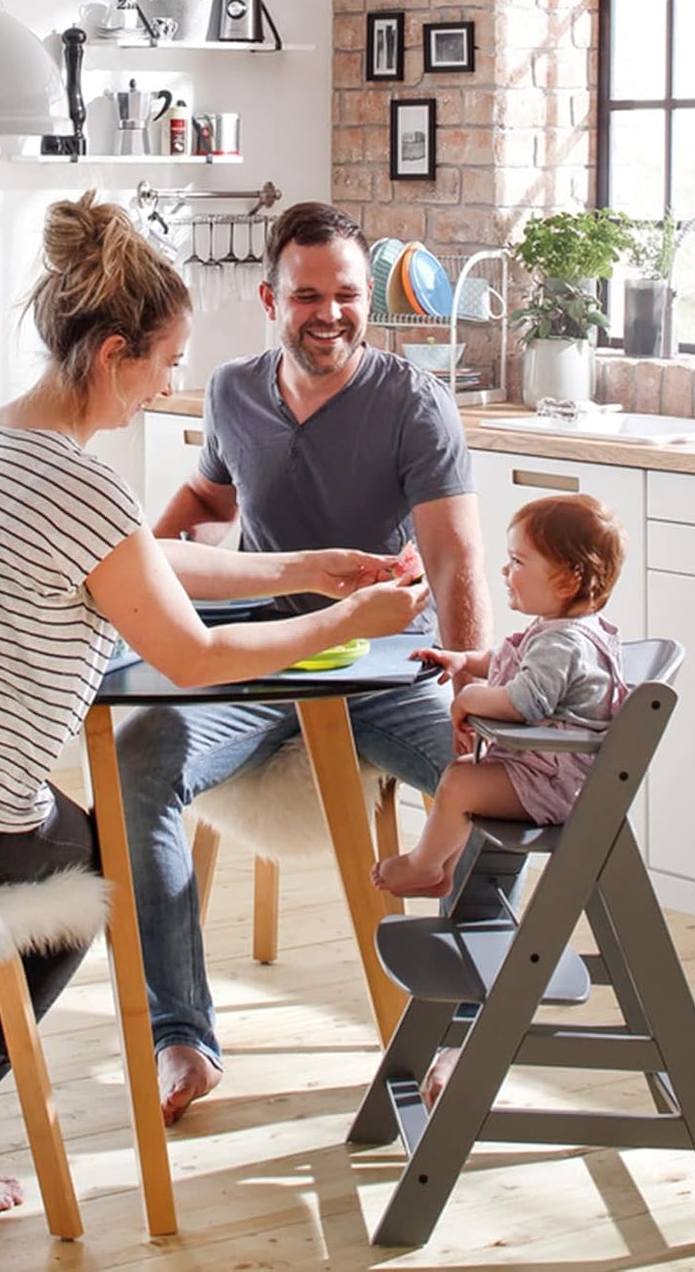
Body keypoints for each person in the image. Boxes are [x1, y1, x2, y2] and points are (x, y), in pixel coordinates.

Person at [0, 192, 428, 1237]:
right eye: (161, 365)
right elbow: (192, 655)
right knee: (89, 880)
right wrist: (344, 611)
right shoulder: (84, 485)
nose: (166, 388)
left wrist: (293, 565)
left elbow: (136, 564)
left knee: (17, 876)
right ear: (112, 352)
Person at [119, 200, 492, 1124]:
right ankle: (183, 1036)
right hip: (261, 656)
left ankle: (453, 1030)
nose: (329, 313)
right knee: (141, 764)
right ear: (268, 298)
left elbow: (456, 559)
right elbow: (208, 495)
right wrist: (141, 556)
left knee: (495, 784)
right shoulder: (232, 390)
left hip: (385, 662)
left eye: (348, 295)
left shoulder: (411, 403)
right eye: (307, 296)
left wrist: (470, 679)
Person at [373, 493, 629, 899]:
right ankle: (445, 869)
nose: (506, 570)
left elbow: (524, 702)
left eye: (519, 562)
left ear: (567, 579)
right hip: (546, 774)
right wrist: (464, 661)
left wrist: (468, 698)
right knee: (462, 775)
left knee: (459, 782)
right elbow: (510, 661)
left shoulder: (562, 643)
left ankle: (425, 865)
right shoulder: (562, 632)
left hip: (550, 785)